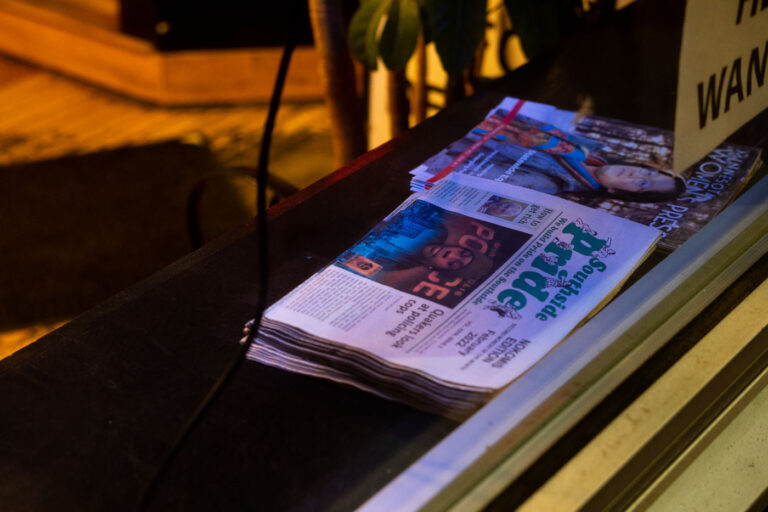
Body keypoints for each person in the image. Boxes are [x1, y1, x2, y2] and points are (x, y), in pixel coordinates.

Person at [436, 111, 687, 203]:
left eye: (643, 184)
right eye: (650, 173)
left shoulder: (548, 185)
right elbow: (519, 118)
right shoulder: (587, 148)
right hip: (474, 118)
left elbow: (460, 170)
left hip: (448, 141)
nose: (637, 174)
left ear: (617, 194)